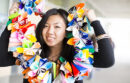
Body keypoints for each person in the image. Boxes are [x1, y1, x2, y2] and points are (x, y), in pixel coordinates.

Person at [0, 2, 115, 83]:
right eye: (46, 26)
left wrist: (94, 21)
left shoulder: (78, 57)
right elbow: (1, 59)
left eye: (57, 27)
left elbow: (107, 60)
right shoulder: (31, 54)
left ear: (67, 31)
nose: (50, 31)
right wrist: (12, 20)